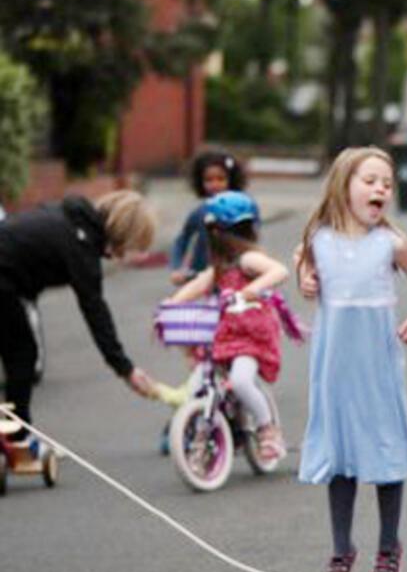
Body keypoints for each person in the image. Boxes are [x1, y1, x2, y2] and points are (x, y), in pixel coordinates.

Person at [295, 147, 407, 572]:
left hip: (378, 368)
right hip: (333, 371)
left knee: (385, 453)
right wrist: (305, 279)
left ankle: (389, 548)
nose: (381, 189)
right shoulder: (318, 237)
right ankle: (341, 552)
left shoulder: (390, 243)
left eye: (387, 184)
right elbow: (303, 261)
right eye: (371, 180)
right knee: (340, 458)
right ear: (343, 185)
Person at [0, 191, 159, 437]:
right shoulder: (81, 248)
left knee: (17, 349)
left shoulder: (68, 217)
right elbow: (95, 311)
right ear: (124, 233)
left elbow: (29, 258)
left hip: (9, 280)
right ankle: (16, 434)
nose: (128, 255)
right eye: (133, 246)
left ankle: (15, 429)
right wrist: (125, 368)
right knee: (23, 354)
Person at [165, 191, 289, 460]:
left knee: (242, 381)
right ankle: (202, 432)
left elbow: (279, 271)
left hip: (250, 336)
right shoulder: (219, 268)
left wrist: (247, 292)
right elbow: (196, 287)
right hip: (223, 337)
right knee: (197, 384)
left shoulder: (247, 260)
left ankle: (268, 430)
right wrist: (169, 307)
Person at [169, 151, 247, 286]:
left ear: (231, 180)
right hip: (201, 275)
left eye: (220, 179)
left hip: (232, 275)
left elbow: (250, 240)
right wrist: (177, 268)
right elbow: (182, 240)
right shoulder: (200, 212)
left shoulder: (242, 211)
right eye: (209, 180)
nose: (215, 184)